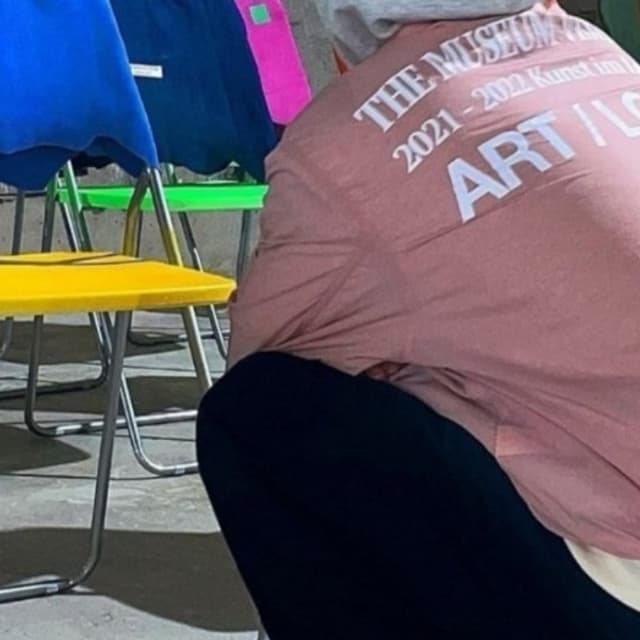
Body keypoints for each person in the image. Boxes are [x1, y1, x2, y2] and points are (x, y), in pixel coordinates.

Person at [197, 1, 640, 638]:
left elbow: (262, 346)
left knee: (258, 411)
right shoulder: (602, 56)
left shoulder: (346, 140)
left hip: (620, 574)